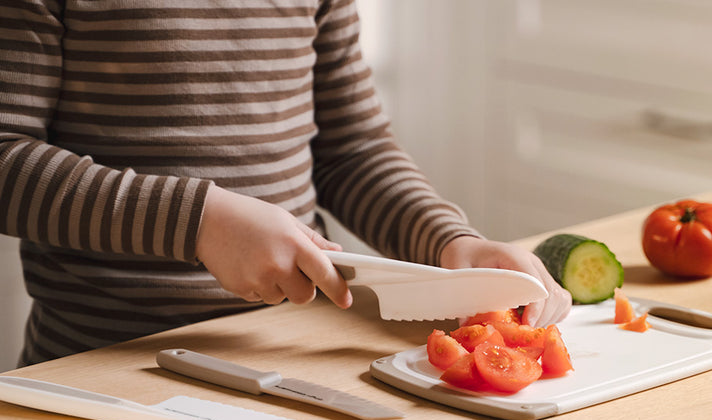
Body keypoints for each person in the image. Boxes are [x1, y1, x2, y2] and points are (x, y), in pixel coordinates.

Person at [0, 0, 570, 367]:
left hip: (295, 352)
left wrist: (451, 242)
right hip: (101, 363)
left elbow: (352, 149)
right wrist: (199, 223)